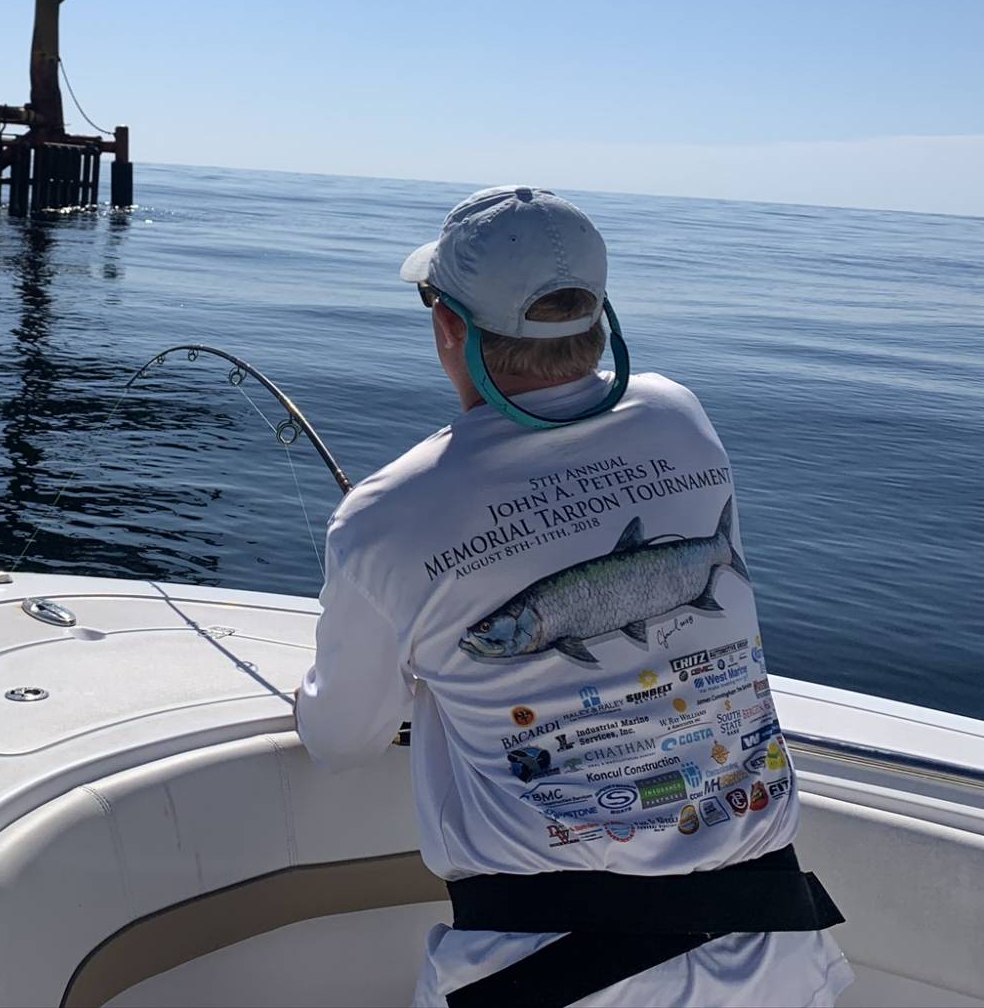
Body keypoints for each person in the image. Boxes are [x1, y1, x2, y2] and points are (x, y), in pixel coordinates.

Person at [296, 186, 852, 1008]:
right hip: (776, 949)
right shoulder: (680, 415)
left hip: (545, 974)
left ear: (450, 327)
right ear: (597, 316)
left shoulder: (385, 516)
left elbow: (341, 740)